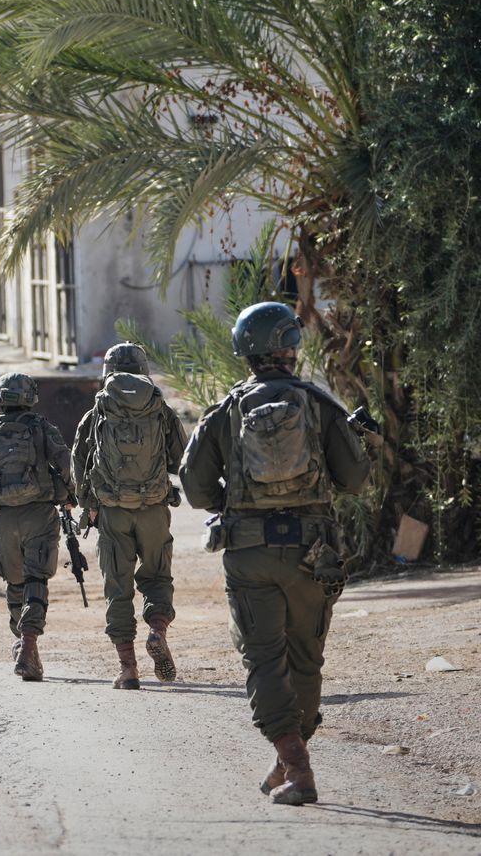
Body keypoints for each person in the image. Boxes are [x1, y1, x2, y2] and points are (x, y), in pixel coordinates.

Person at [181, 302, 374, 807]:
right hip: (314, 553)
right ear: (290, 348)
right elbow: (354, 480)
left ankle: (296, 767)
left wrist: (233, 502)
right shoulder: (320, 404)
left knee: (264, 659)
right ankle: (292, 759)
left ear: (245, 351)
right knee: (305, 659)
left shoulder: (226, 410)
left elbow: (195, 487)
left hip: (249, 554)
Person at [72, 343, 189, 690]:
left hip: (112, 513)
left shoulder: (98, 412)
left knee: (118, 589)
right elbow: (180, 459)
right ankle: (157, 630)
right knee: (157, 577)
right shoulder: (160, 409)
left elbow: (79, 461)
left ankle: (128, 669)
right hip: (154, 509)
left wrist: (87, 503)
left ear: (106, 372)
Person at [0, 372, 75, 682]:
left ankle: (22, 643)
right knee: (37, 578)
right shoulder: (43, 428)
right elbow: (67, 464)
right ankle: (29, 642)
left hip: (4, 519)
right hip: (39, 514)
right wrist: (72, 496)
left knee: (14, 581)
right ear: (31, 397)